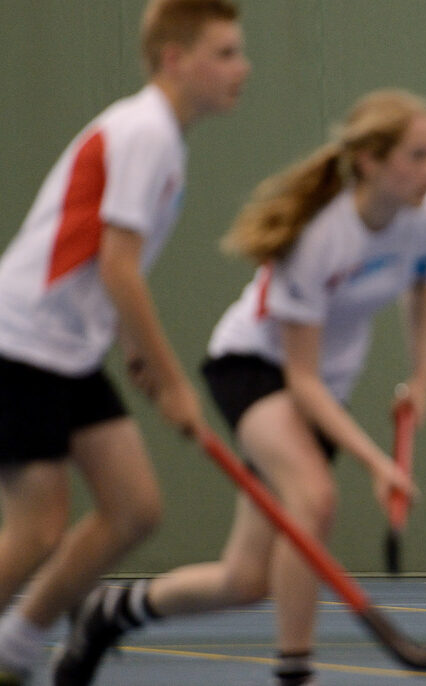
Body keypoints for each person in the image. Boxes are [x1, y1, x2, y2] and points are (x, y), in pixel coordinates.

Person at [50, 88, 426, 686]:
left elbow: (423, 286)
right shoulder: (320, 237)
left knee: (243, 580)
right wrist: (377, 463)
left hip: (325, 388)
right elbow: (300, 380)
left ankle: (113, 612)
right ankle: (295, 673)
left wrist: (422, 375)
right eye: (417, 156)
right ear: (370, 161)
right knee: (313, 499)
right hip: (255, 367)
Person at [0, 1, 248, 683]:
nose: (242, 68)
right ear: (175, 59)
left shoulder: (161, 138)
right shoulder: (147, 132)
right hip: (24, 343)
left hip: (69, 350)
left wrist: (133, 351)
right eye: (225, 53)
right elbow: (118, 266)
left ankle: (14, 650)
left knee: (134, 508)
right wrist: (173, 382)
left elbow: (98, 263)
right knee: (37, 528)